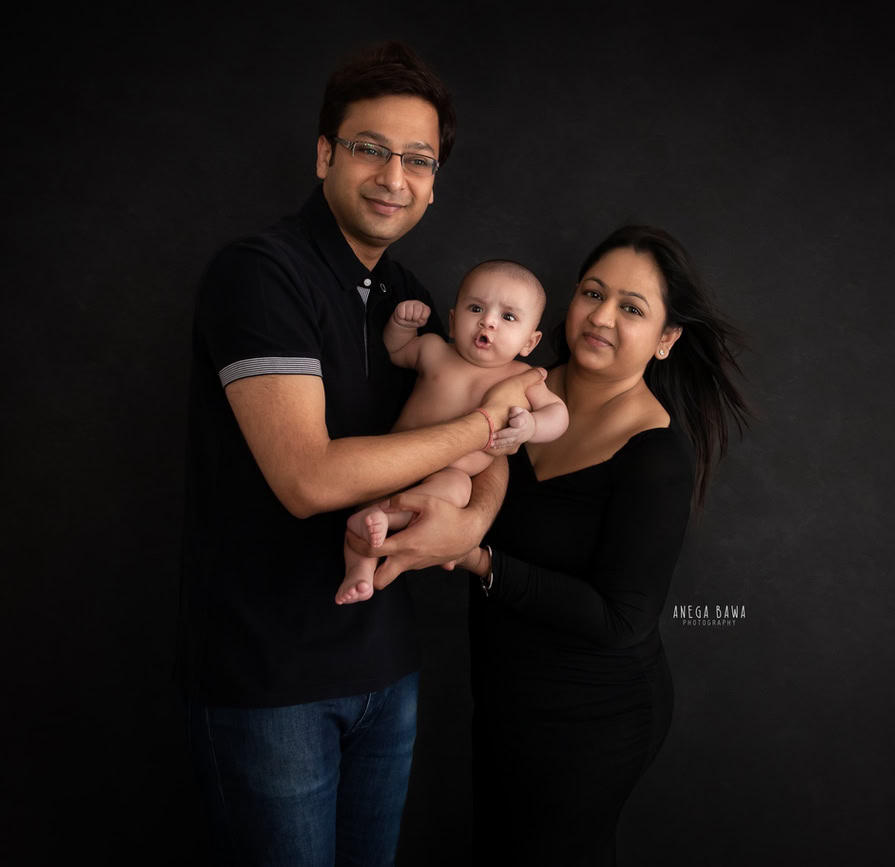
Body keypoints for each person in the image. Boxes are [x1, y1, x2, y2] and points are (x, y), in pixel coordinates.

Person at [174, 43, 542, 864]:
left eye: (418, 158)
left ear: (435, 180)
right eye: (370, 147)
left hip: (386, 668)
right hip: (272, 682)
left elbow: (495, 444)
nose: (393, 176)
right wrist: (486, 428)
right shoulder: (262, 275)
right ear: (324, 153)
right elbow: (308, 480)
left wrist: (470, 521)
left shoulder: (408, 296)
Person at [451, 225, 750, 865]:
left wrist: (476, 556)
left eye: (632, 308)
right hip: (504, 694)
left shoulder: (656, 453)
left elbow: (624, 619)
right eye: (593, 292)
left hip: (593, 714)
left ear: (667, 340)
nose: (601, 316)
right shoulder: (511, 385)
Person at [336, 260, 569, 605]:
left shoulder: (521, 377)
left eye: (508, 317)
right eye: (476, 307)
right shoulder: (434, 350)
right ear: (453, 319)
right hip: (395, 457)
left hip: (450, 472)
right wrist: (401, 326)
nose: (487, 320)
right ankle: (358, 569)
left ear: (529, 342)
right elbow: (396, 352)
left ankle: (385, 522)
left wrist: (531, 426)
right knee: (368, 495)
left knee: (458, 489)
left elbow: (559, 414)